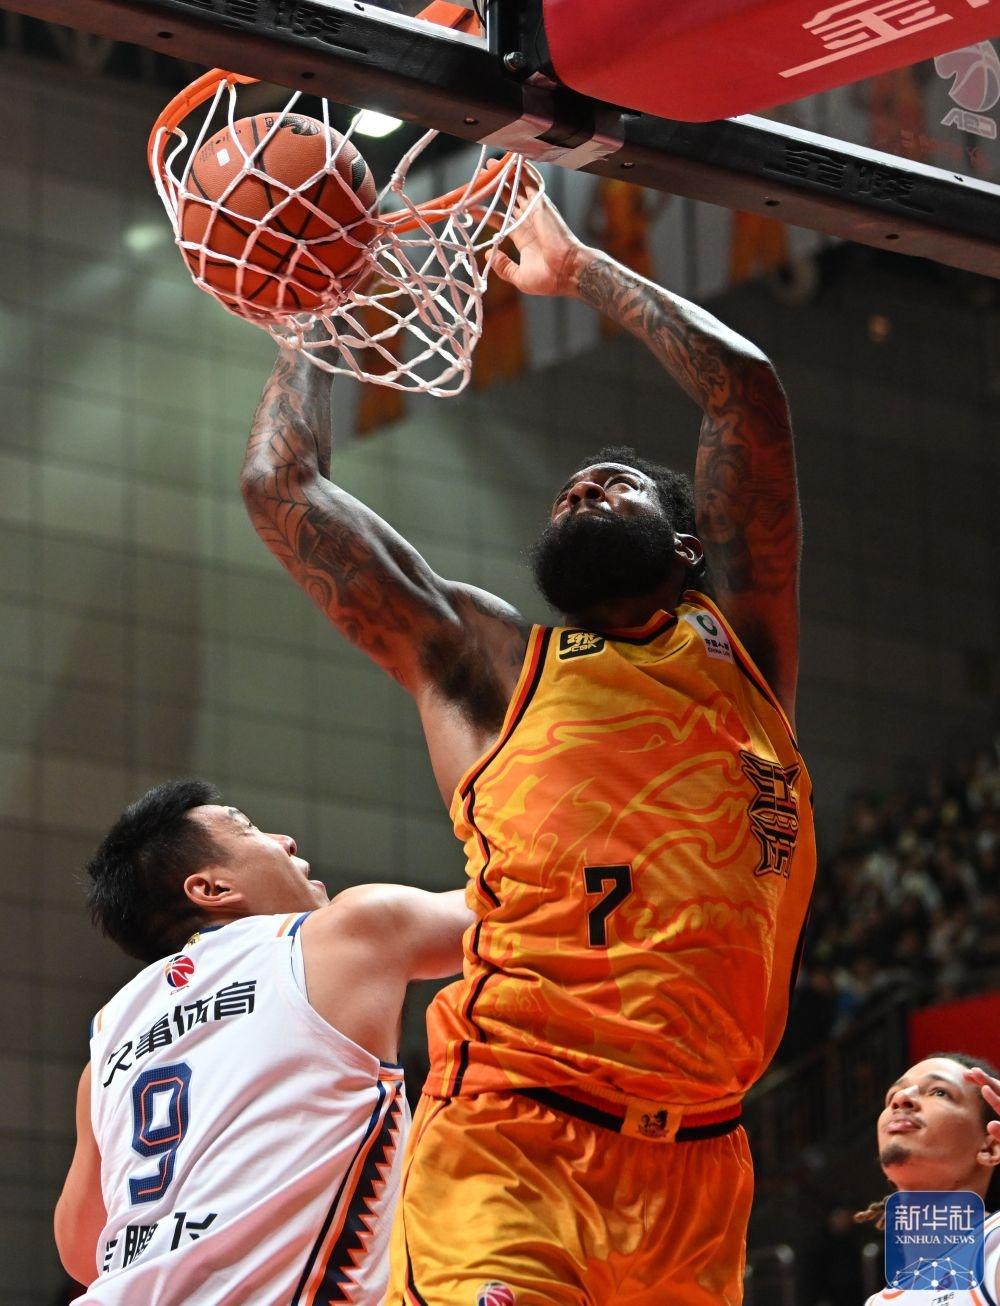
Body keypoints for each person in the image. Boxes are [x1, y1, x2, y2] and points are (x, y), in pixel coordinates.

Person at [242, 181, 816, 1304]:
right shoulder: (493, 665)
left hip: (702, 1171)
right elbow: (282, 486)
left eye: (615, 486)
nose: (581, 489)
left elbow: (746, 392)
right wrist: (312, 316)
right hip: (515, 1142)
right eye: (567, 492)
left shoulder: (743, 649)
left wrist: (582, 270)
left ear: (690, 549)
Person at [53, 779, 470, 1304]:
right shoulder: (342, 934)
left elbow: (81, 1249)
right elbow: (523, 906)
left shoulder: (107, 1042)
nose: (285, 841)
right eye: (248, 828)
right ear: (212, 890)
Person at [859, 1053, 1000, 1304]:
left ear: (990, 1147)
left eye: (939, 1092)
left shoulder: (994, 1250)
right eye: (893, 1095)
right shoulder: (878, 1302)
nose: (901, 1099)